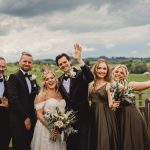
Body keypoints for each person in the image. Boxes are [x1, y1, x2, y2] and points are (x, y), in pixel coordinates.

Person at [55, 44, 94, 150]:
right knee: (71, 146)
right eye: (60, 64)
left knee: (83, 145)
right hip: (68, 121)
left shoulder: (80, 74)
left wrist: (79, 59)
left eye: (65, 62)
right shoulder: (59, 81)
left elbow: (90, 77)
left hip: (83, 117)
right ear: (59, 67)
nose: (63, 65)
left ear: (69, 61)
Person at [112, 64, 150, 150]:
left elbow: (147, 83)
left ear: (125, 75)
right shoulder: (108, 86)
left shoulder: (129, 85)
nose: (118, 74)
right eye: (117, 71)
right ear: (113, 72)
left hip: (133, 118)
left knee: (135, 142)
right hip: (119, 119)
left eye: (122, 73)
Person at [7, 52, 39, 150]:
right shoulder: (14, 77)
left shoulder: (32, 78)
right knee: (20, 146)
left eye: (29, 62)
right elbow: (14, 100)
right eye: (25, 61)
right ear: (19, 62)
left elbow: (40, 90)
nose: (27, 64)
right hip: (19, 121)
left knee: (29, 146)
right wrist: (25, 117)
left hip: (32, 119)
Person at [88, 59, 120, 150]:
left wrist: (113, 105)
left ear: (107, 71)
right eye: (99, 68)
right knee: (94, 138)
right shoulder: (91, 84)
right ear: (95, 69)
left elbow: (110, 103)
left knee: (104, 139)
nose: (102, 71)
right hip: (93, 114)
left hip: (105, 115)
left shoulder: (108, 85)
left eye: (104, 69)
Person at [31, 70, 66, 150]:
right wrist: (51, 128)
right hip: (45, 128)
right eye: (47, 79)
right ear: (44, 82)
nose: (50, 80)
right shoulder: (42, 94)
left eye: (52, 78)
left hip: (59, 129)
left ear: (55, 79)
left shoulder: (60, 93)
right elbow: (39, 114)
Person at [0, 57, 11, 150]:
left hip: (5, 123)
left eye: (3, 67)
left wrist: (8, 104)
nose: (1, 69)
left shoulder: (8, 81)